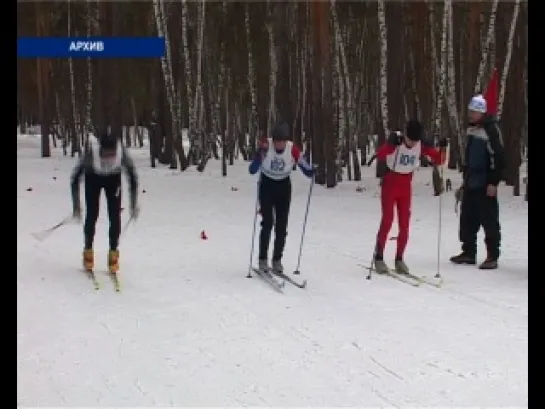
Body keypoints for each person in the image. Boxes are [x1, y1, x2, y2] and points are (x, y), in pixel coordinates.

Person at [372, 120, 447, 274]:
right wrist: (391, 144)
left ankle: (399, 259)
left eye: (415, 140)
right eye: (410, 140)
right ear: (405, 135)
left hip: (406, 186)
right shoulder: (397, 141)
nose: (412, 144)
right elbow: (380, 154)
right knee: (387, 220)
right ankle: (379, 257)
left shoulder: (420, 144)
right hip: (391, 183)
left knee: (404, 224)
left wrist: (443, 148)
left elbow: (440, 160)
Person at [248, 122, 314, 274]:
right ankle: (263, 259)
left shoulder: (292, 149)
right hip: (267, 185)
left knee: (282, 227)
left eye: (282, 141)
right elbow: (252, 170)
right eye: (277, 141)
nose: (279, 144)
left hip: (284, 186)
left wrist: (311, 171)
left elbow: (305, 167)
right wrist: (259, 155)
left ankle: (277, 260)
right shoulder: (266, 145)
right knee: (268, 223)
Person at [71, 132, 139, 274]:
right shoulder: (91, 155)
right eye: (106, 154)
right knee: (92, 215)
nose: (108, 157)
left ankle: (113, 254)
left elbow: (132, 178)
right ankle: (88, 252)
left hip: (113, 180)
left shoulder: (122, 153)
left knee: (114, 217)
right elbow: (75, 178)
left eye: (111, 154)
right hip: (93, 178)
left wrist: (133, 204)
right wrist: (76, 205)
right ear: (100, 149)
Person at [450, 94, 505, 270]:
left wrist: (493, 182)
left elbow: (498, 156)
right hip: (471, 180)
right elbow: (469, 155)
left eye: (474, 112)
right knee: (467, 218)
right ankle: (468, 252)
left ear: (481, 112)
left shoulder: (491, 129)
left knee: (488, 219)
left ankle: (492, 255)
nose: (471, 114)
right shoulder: (471, 128)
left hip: (485, 182)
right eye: (470, 111)